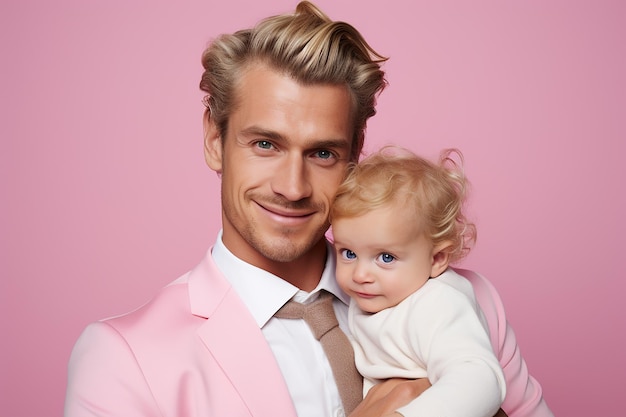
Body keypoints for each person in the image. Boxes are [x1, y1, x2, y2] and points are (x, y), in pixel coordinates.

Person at [64, 2, 553, 417]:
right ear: (215, 140)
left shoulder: (461, 298)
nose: (293, 188)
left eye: (322, 153)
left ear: (355, 154)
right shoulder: (123, 359)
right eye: (265, 144)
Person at [330, 146, 506, 416]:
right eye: (349, 253)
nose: (359, 275)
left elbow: (480, 378)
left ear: (436, 259)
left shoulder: (437, 303)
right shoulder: (377, 297)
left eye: (386, 258)